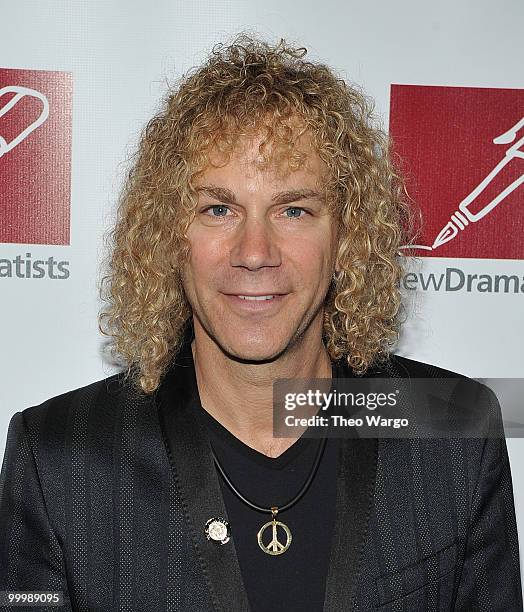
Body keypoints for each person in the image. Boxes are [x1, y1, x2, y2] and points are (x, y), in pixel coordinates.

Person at [0, 33, 521, 612]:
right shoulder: (59, 454)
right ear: (168, 237)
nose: (254, 251)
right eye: (218, 209)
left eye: (293, 210)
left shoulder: (453, 428)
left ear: (348, 237)